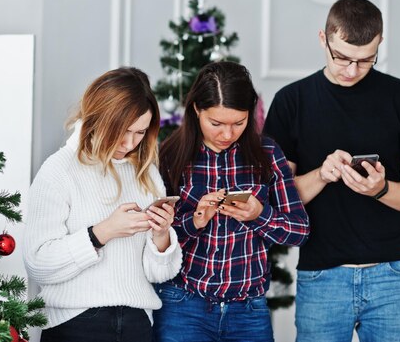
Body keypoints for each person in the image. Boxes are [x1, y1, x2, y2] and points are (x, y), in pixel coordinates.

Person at [263, 0, 400, 342]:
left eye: (365, 61)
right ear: (323, 39)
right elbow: (277, 199)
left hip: (395, 277)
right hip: (321, 277)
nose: (351, 70)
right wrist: (322, 174)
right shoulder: (291, 101)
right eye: (341, 57)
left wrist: (382, 189)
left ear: (379, 44)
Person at [153, 61, 310, 342]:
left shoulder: (268, 154)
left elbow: (299, 231)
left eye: (239, 123)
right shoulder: (170, 156)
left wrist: (260, 215)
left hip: (249, 311)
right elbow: (153, 242)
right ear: (197, 110)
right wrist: (195, 221)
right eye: (216, 124)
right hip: (183, 307)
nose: (227, 134)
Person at [23, 67, 183, 342]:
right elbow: (38, 263)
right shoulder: (60, 170)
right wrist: (102, 232)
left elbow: (160, 274)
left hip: (136, 325)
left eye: (140, 132)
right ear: (100, 119)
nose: (131, 143)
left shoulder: (145, 173)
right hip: (76, 324)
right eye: (123, 131)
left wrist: (160, 236)